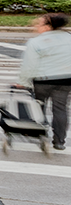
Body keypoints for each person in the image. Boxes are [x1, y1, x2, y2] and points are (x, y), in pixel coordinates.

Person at [19, 13, 71, 151]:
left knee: (39, 107)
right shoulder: (69, 38)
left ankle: (41, 134)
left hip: (42, 80)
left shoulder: (36, 42)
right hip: (66, 79)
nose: (37, 26)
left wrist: (23, 81)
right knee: (61, 109)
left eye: (39, 24)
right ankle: (59, 141)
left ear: (48, 27)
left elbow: (29, 65)